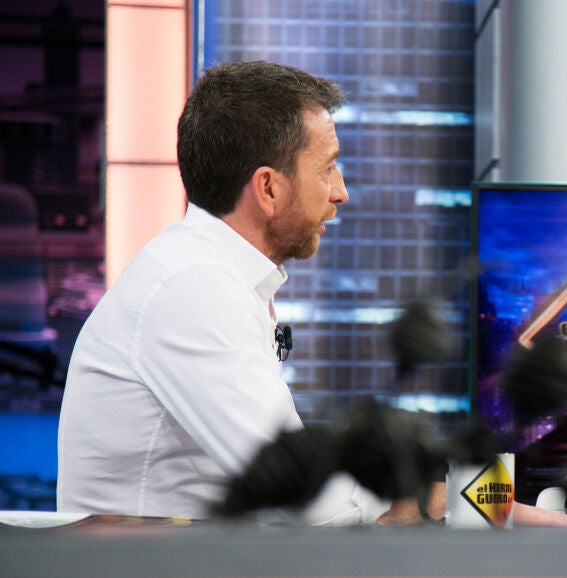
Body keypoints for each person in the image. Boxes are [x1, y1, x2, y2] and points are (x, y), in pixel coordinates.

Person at [57, 60, 398, 524]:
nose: (341, 192)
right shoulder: (192, 288)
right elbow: (312, 503)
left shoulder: (208, 274)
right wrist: (423, 501)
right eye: (328, 168)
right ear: (268, 188)